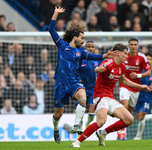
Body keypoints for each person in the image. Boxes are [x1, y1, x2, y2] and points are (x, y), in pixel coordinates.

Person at [48, 7, 116, 144]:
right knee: (58, 114)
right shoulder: (62, 45)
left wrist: (104, 55)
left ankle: (76, 125)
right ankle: (55, 129)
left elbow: (92, 56)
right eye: (82, 38)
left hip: (74, 83)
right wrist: (55, 13)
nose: (84, 41)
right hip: (61, 84)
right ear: (75, 37)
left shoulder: (81, 52)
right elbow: (51, 30)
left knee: (83, 97)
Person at [72, 43, 151, 147]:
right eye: (125, 54)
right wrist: (98, 69)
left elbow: (123, 80)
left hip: (110, 98)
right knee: (101, 121)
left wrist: (141, 87)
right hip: (100, 96)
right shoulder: (108, 63)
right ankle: (77, 142)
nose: (127, 56)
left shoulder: (122, 66)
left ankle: (103, 133)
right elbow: (100, 68)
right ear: (117, 53)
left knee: (129, 119)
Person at [117, 38, 151, 140]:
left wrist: (138, 75)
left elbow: (148, 72)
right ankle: (121, 132)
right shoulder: (124, 56)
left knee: (129, 111)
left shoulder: (141, 57)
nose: (133, 46)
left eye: (135, 44)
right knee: (125, 105)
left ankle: (120, 127)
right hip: (124, 85)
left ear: (137, 46)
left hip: (135, 89)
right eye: (131, 44)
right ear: (128, 46)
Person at [134, 52, 152, 140]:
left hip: (148, 96)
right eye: (147, 59)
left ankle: (138, 136)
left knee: (142, 115)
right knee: (138, 117)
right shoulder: (140, 70)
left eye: (150, 59)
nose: (149, 61)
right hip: (138, 95)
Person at [79, 41, 102, 129]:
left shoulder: (98, 60)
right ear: (85, 48)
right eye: (89, 47)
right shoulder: (80, 59)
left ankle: (87, 124)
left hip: (94, 89)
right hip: (82, 88)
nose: (91, 48)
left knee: (92, 114)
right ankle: (79, 125)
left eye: (92, 47)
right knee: (80, 111)